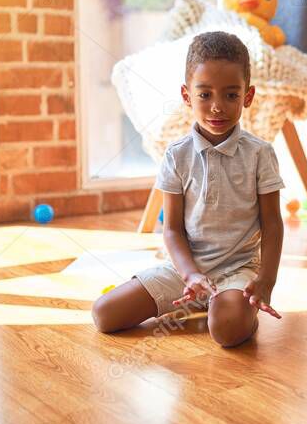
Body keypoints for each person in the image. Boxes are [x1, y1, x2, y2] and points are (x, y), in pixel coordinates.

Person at [91, 31, 285, 347]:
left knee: (226, 331)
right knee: (105, 314)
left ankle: (226, 306)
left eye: (231, 95)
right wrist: (190, 275)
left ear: (247, 97)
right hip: (186, 269)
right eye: (205, 94)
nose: (217, 107)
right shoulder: (176, 155)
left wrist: (266, 281)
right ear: (187, 96)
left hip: (238, 270)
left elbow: (273, 224)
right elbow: (172, 231)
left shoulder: (260, 154)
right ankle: (197, 298)